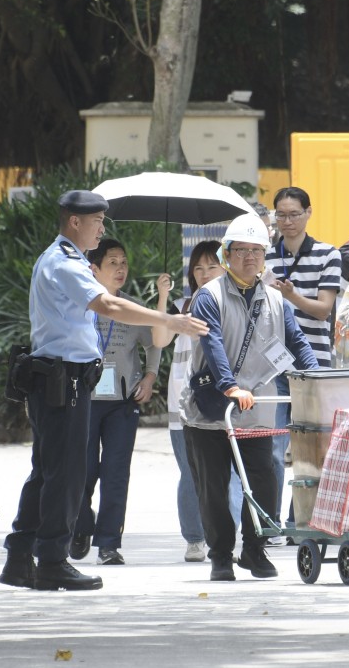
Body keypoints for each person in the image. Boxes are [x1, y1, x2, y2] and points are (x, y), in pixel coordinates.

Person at [0, 190, 207, 592]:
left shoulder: (61, 259)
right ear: (75, 222)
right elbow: (109, 307)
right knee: (67, 474)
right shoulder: (65, 264)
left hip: (59, 378)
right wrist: (171, 320)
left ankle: (20, 556)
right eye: (96, 221)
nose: (101, 228)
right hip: (63, 379)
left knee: (48, 472)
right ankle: (52, 560)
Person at [181, 213, 319, 582]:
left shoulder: (275, 299)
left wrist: (316, 378)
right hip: (212, 409)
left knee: (264, 481)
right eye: (240, 250)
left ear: (265, 256)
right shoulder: (208, 296)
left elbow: (298, 341)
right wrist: (229, 386)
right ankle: (221, 555)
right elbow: (213, 347)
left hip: (257, 408)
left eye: (256, 251)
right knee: (212, 488)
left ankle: (255, 550)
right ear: (227, 254)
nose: (249, 258)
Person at [69, 239, 161, 566]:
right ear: (93, 269)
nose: (120, 269)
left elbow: (154, 343)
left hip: (123, 401)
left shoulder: (132, 308)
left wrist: (149, 377)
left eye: (123, 262)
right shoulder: (77, 306)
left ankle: (109, 543)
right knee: (82, 470)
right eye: (112, 263)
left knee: (115, 472)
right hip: (83, 400)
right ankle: (80, 526)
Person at [153, 241, 243, 564]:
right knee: (190, 474)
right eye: (198, 268)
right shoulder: (183, 305)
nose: (204, 274)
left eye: (212, 267)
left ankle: (228, 539)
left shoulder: (233, 305)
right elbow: (160, 340)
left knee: (230, 475)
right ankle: (194, 539)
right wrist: (163, 297)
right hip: (184, 405)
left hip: (224, 403)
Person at [263, 187, 340, 538]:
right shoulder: (263, 255)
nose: (287, 222)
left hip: (314, 365)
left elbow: (324, 309)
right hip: (271, 364)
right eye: (281, 215)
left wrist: (292, 295)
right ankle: (270, 521)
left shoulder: (328, 254)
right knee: (274, 446)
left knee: (310, 449)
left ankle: (302, 521)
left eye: (294, 214)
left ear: (309, 213)